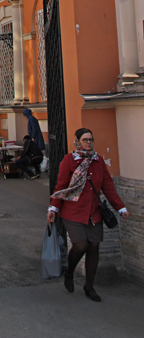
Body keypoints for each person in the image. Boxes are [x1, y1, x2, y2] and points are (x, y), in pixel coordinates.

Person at [48, 127, 129, 302]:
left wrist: (121, 208)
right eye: (85, 140)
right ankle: (69, 272)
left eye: (91, 140)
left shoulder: (98, 161)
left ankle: (89, 286)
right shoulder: (69, 161)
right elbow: (61, 187)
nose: (89, 143)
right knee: (81, 245)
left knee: (94, 247)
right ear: (77, 141)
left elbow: (108, 187)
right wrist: (53, 208)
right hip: (73, 212)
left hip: (94, 213)